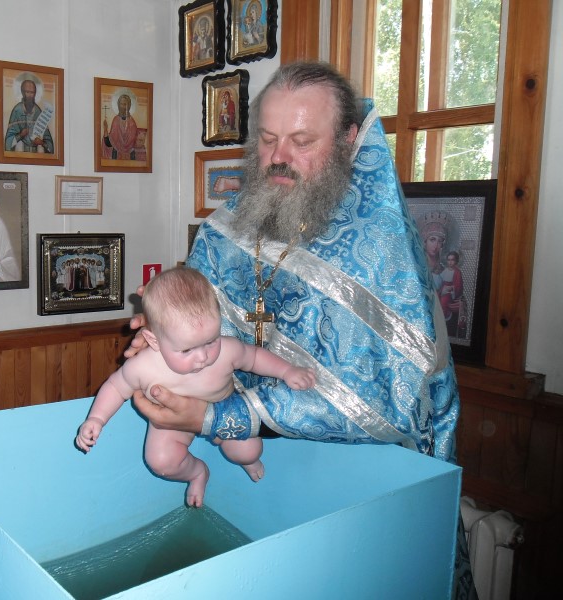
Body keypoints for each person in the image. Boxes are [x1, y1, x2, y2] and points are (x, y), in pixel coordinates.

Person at [127, 62, 475, 598]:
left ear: (348, 139)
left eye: (302, 141)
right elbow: (203, 317)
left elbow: (387, 403)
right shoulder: (228, 226)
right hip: (267, 484)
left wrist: (217, 416)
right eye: (267, 140)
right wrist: (163, 337)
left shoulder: (382, 253)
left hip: (366, 493)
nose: (279, 157)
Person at [76, 266, 315, 508]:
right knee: (160, 462)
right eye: (187, 350)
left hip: (224, 412)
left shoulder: (227, 350)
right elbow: (116, 387)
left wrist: (287, 371)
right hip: (171, 422)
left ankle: (247, 461)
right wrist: (97, 419)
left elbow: (254, 358)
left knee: (248, 451)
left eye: (211, 341)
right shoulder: (142, 367)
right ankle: (197, 473)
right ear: (153, 341)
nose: (202, 357)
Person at [5, 79, 54, 153]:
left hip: (36, 154)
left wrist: (42, 143)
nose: (30, 95)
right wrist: (21, 135)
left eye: (32, 92)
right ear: (22, 92)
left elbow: (49, 143)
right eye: (27, 92)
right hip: (19, 153)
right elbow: (8, 142)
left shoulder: (38, 111)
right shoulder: (17, 110)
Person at [102, 93, 140, 161]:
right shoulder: (116, 121)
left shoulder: (132, 123)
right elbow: (110, 143)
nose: (122, 106)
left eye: (125, 104)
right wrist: (105, 129)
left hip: (130, 157)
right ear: (118, 105)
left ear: (129, 106)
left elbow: (135, 142)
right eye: (121, 104)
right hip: (116, 156)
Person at [440, 250, 467, 337]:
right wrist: (442, 289)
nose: (450, 262)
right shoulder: (444, 271)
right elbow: (440, 283)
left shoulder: (457, 272)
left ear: (456, 261)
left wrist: (451, 288)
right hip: (443, 293)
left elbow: (459, 287)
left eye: (452, 260)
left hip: (451, 295)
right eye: (449, 260)